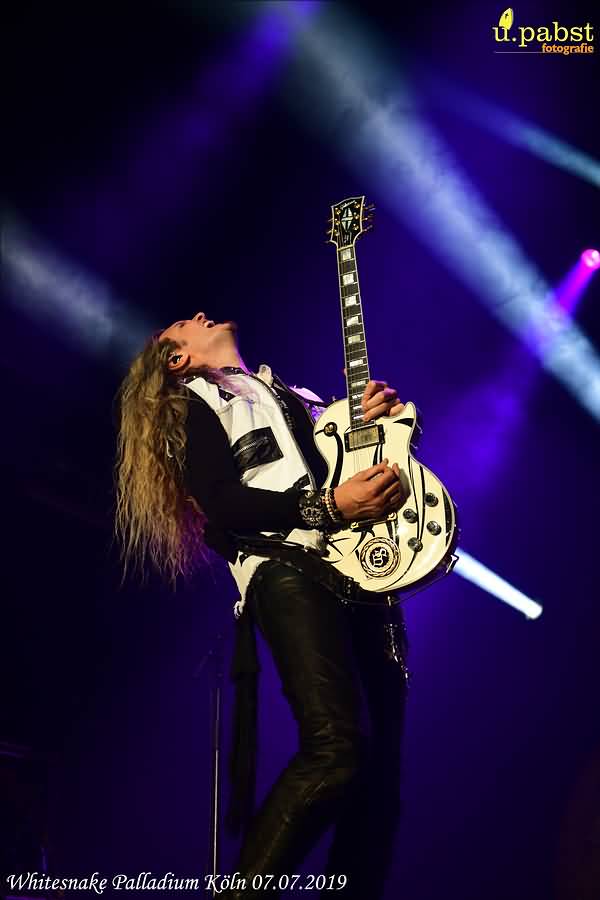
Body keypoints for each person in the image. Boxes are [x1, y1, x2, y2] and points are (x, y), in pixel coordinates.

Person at [114, 311, 410, 899]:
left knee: (378, 784)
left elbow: (354, 468)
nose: (200, 314)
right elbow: (224, 503)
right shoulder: (197, 401)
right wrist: (328, 507)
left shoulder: (298, 396)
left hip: (360, 574)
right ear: (178, 359)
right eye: (184, 323)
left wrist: (380, 422)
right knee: (336, 750)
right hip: (285, 571)